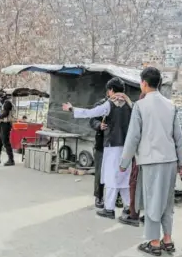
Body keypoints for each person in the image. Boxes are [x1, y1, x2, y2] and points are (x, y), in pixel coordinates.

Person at [119, 67, 182, 256]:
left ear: (144, 84)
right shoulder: (170, 105)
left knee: (152, 200)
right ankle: (167, 239)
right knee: (167, 201)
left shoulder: (140, 106)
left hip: (151, 160)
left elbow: (133, 137)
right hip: (170, 160)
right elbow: (178, 137)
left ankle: (154, 242)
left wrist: (124, 162)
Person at [62, 77, 132, 219]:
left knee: (112, 178)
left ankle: (109, 208)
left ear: (111, 90)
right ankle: (128, 208)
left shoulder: (109, 104)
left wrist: (72, 109)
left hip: (113, 145)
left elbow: (90, 113)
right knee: (124, 179)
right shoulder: (131, 105)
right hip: (128, 147)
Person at [118, 92, 146, 227]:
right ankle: (150, 215)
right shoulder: (166, 106)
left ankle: (133, 214)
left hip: (141, 155)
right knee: (152, 187)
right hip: (159, 157)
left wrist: (124, 163)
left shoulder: (142, 104)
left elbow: (133, 137)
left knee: (134, 183)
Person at [88, 97, 106, 209]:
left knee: (118, 172)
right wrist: (99, 125)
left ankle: (118, 197)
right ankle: (99, 196)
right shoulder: (101, 104)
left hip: (117, 144)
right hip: (102, 144)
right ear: (110, 91)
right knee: (100, 172)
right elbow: (92, 120)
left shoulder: (124, 105)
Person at [0, 92, 15, 166]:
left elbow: (6, 113)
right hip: (2, 124)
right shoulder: (4, 104)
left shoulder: (7, 103)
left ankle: (11, 160)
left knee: (5, 142)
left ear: (1, 98)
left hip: (6, 124)